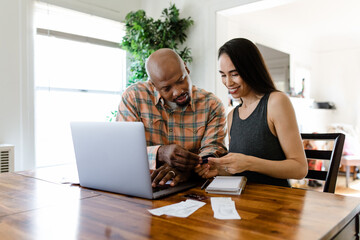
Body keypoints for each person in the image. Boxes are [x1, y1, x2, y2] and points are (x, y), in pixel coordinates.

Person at [195, 38, 308, 187]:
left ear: (251, 69)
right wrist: (220, 170)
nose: (228, 83)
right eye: (223, 75)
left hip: (276, 200)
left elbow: (300, 168)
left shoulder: (276, 102)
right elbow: (243, 171)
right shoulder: (232, 116)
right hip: (244, 201)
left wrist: (249, 163)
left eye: (234, 74)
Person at [116, 48, 227, 187]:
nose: (178, 91)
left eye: (181, 80)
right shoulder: (133, 98)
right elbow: (123, 149)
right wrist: (160, 153)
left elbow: (213, 152)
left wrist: (186, 169)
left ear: (186, 69)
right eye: (167, 88)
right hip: (144, 185)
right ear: (153, 85)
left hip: (191, 187)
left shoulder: (212, 105)